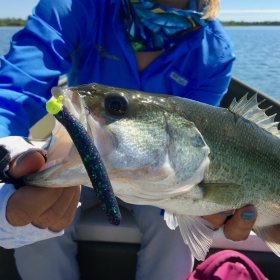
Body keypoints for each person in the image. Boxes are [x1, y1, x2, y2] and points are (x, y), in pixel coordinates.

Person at [0, 0, 257, 279]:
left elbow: (200, 141)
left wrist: (208, 204)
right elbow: (15, 91)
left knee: (176, 234)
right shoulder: (78, 7)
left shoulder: (216, 51)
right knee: (38, 225)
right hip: (79, 162)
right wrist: (5, 153)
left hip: (162, 181)